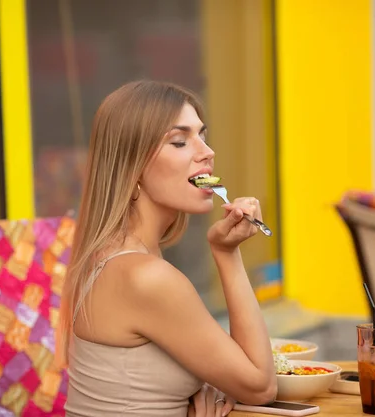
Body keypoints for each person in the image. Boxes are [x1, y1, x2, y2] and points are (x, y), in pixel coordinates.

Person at [56, 80, 277, 417]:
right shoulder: (147, 277)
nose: (207, 152)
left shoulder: (114, 257)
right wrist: (228, 254)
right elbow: (261, 386)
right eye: (179, 141)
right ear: (133, 168)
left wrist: (207, 382)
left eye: (203, 136)